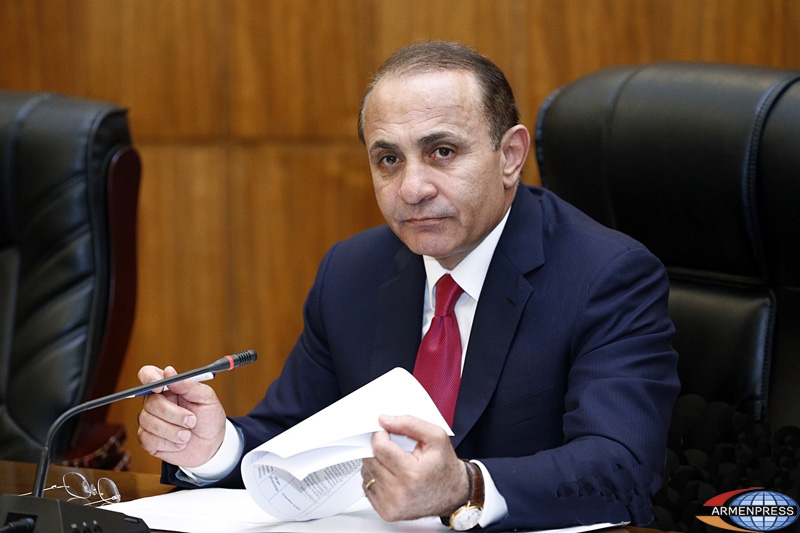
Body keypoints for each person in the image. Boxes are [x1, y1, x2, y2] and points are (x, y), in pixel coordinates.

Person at [136, 40, 680, 532]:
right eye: (389, 159)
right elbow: (292, 438)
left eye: (442, 151)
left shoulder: (605, 275)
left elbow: (620, 466)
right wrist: (214, 447)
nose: (412, 188)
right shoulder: (352, 271)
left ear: (511, 156)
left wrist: (466, 488)